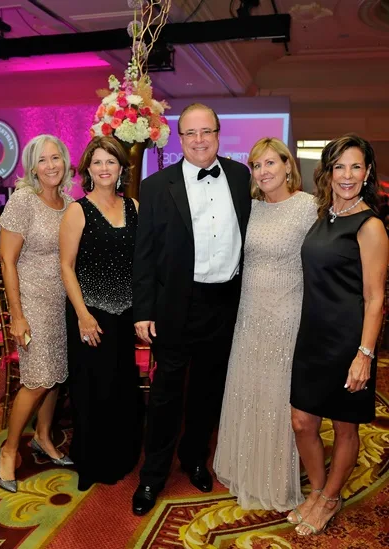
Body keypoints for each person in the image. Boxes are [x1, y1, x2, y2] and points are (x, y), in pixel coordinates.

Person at [132, 102, 252, 515]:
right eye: (190, 133)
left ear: (218, 134)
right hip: (176, 304)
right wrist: (143, 310)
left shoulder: (240, 176)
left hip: (225, 303)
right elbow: (144, 255)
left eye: (206, 131)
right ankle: (153, 475)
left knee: (208, 391)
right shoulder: (155, 186)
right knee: (166, 395)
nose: (199, 140)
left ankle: (195, 458)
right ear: (179, 138)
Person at [289, 134, 388, 535]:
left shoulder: (370, 225)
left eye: (356, 167)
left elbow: (375, 298)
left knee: (345, 425)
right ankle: (318, 489)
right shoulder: (323, 215)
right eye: (339, 166)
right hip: (312, 336)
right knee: (302, 421)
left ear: (367, 173)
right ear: (328, 172)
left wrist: (364, 354)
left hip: (348, 341)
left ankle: (330, 499)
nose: (347, 175)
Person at [213, 137, 317, 511]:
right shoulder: (251, 208)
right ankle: (246, 469)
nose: (262, 171)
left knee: (277, 396)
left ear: (288, 165)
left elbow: (320, 263)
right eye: (257, 166)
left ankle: (275, 476)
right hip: (249, 315)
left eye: (270, 163)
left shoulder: (308, 207)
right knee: (249, 390)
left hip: (287, 316)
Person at [60, 136, 143, 492]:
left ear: (121, 167)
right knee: (90, 389)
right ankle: (90, 462)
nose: (104, 168)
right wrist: (82, 314)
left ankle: (120, 456)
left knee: (120, 387)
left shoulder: (134, 206)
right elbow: (66, 266)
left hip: (124, 316)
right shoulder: (77, 210)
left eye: (111, 161)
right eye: (98, 162)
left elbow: (142, 262)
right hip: (90, 315)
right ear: (88, 169)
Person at [0, 135, 74, 493]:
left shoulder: (69, 203)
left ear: (65, 161)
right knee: (37, 380)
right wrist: (17, 314)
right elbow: (6, 260)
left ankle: (43, 437)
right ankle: (9, 450)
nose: (51, 165)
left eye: (55, 157)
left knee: (55, 375)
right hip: (31, 303)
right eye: (42, 160)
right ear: (32, 167)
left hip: (62, 302)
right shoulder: (23, 200)